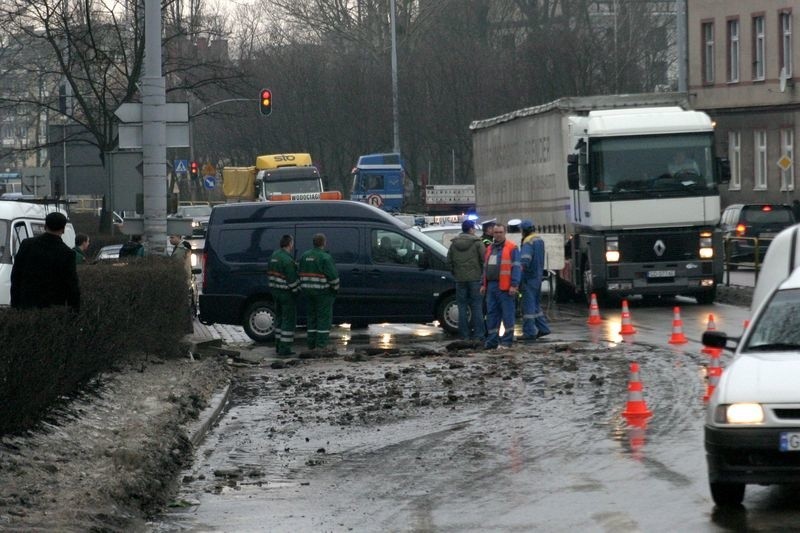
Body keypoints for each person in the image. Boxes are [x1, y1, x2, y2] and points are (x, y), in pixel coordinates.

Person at [10, 211, 80, 311]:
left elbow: (16, 276)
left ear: (45, 226)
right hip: (52, 309)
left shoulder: (27, 245)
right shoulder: (67, 253)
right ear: (63, 229)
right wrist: (74, 311)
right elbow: (71, 285)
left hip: (26, 305)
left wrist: (15, 304)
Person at [480, 223, 521, 350]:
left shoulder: (511, 247)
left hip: (505, 286)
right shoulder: (490, 248)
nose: (497, 235)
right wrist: (483, 284)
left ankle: (507, 341)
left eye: (500, 232)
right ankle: (492, 341)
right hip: (491, 286)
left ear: (505, 233)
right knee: (492, 314)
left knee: (507, 315)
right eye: (496, 232)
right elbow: (485, 268)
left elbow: (516, 267)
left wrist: (514, 285)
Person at [299, 233, 340, 350]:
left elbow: (299, 272)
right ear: (324, 243)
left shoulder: (304, 256)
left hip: (308, 293)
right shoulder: (325, 258)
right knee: (323, 320)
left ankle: (311, 344)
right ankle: (321, 345)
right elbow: (334, 278)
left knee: (311, 319)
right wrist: (335, 290)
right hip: (323, 294)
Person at [447, 219, 486, 341]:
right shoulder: (477, 243)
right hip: (475, 279)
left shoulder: (454, 244)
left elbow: (449, 262)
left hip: (460, 280)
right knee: (476, 306)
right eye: (474, 228)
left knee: (462, 307)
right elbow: (484, 260)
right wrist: (481, 274)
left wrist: (456, 273)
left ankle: (464, 335)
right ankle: (479, 334)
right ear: (471, 229)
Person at [519, 220, 551, 341]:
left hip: (529, 278)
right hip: (537, 277)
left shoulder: (528, 242)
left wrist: (518, 278)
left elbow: (525, 261)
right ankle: (543, 328)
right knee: (536, 305)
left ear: (524, 230)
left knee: (528, 307)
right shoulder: (539, 240)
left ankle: (529, 332)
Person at [268, 234, 300, 356]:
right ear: (289, 244)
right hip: (286, 295)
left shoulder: (274, 256)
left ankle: (278, 345)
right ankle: (285, 348)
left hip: (275, 292)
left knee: (279, 320)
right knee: (288, 321)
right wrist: (298, 291)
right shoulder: (287, 260)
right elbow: (292, 282)